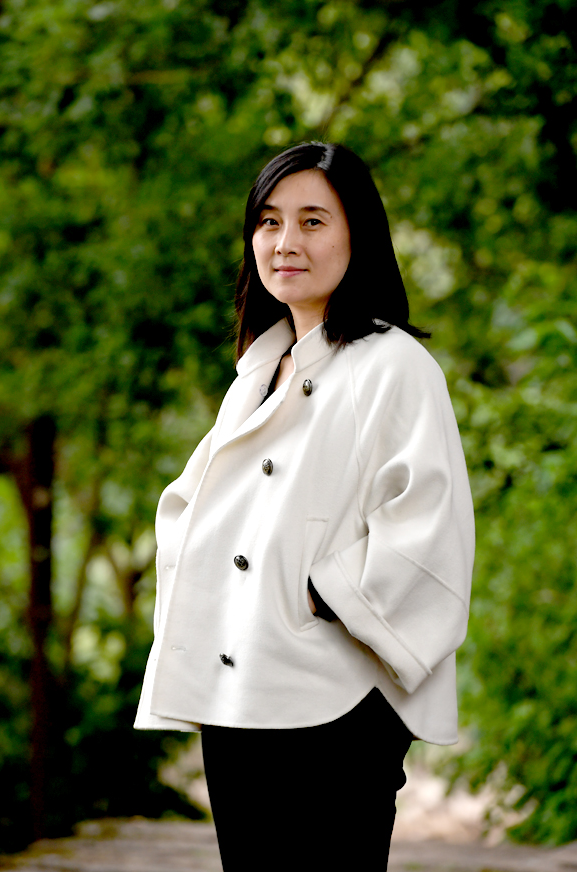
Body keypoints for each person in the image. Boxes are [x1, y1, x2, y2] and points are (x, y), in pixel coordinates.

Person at [135, 141, 475, 871]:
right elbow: (199, 507)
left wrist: (321, 596)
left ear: (359, 235)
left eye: (313, 221)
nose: (285, 242)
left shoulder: (395, 365)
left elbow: (428, 525)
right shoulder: (258, 371)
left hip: (338, 701)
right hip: (237, 695)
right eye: (268, 221)